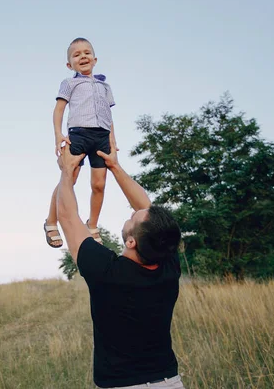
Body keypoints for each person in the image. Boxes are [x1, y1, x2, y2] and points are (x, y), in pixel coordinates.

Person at [56, 139, 185, 388]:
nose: (132, 212)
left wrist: (66, 171)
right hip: (169, 382)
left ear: (131, 242)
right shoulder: (167, 265)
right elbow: (149, 211)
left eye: (132, 218)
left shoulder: (107, 273)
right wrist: (114, 166)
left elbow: (67, 217)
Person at [44, 37, 118, 248]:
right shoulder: (69, 83)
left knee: (99, 184)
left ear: (94, 59)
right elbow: (59, 109)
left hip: (101, 136)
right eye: (76, 55)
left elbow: (109, 116)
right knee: (69, 178)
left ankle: (92, 225)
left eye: (86, 53)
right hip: (78, 134)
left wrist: (112, 141)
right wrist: (58, 135)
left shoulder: (105, 86)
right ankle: (51, 221)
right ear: (70, 64)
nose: (82, 56)